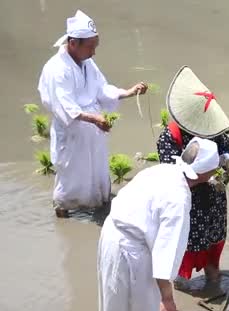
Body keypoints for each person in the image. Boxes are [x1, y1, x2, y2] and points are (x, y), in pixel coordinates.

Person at [97, 138, 220, 311]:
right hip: (132, 251)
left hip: (111, 234)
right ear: (204, 173)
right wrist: (167, 299)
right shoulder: (179, 199)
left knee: (116, 303)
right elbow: (165, 253)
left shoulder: (162, 170)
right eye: (214, 168)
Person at [37, 10, 148, 218]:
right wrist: (93, 119)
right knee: (69, 178)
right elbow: (64, 106)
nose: (94, 52)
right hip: (72, 133)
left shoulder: (87, 63)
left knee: (97, 173)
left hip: (92, 131)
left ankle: (99, 208)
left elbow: (101, 89)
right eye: (90, 47)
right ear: (73, 43)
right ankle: (62, 214)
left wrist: (128, 92)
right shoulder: (57, 69)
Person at [157, 66, 229, 289]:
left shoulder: (212, 127)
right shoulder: (169, 138)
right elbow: (172, 175)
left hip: (215, 197)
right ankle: (181, 281)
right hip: (188, 200)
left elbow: (226, 147)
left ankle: (213, 273)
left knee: (214, 238)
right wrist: (205, 177)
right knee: (186, 242)